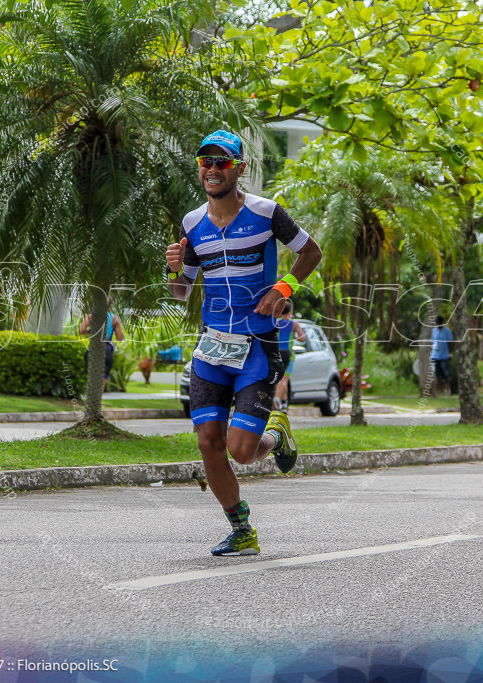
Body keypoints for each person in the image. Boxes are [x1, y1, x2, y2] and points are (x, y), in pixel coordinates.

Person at [165, 130, 322, 557]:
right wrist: (174, 271)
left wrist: (284, 288)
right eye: (206, 162)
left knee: (242, 451)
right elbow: (182, 292)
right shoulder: (192, 224)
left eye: (222, 163)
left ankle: (276, 433)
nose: (213, 170)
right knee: (207, 443)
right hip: (212, 346)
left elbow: (312, 253)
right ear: (199, 167)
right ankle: (242, 528)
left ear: (239, 168)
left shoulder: (267, 213)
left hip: (257, 344)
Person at [79, 302, 125, 391]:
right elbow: (120, 338)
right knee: (102, 380)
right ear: (110, 306)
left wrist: (90, 330)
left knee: (92, 377)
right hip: (106, 350)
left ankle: (92, 401)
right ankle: (97, 400)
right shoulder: (114, 318)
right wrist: (117, 324)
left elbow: (81, 330)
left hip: (94, 348)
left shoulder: (92, 316)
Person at [274, 301, 306, 411]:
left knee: (281, 380)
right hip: (288, 353)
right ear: (290, 311)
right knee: (284, 380)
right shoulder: (294, 324)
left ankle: (284, 404)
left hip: (277, 352)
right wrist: (295, 336)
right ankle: (277, 400)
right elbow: (302, 338)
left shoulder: (276, 323)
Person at [430, 315, 453, 397]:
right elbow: (432, 342)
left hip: (444, 356)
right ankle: (436, 393)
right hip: (435, 356)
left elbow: (450, 343)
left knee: (446, 375)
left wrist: (450, 354)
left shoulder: (447, 331)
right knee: (437, 375)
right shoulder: (434, 331)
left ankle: (447, 390)